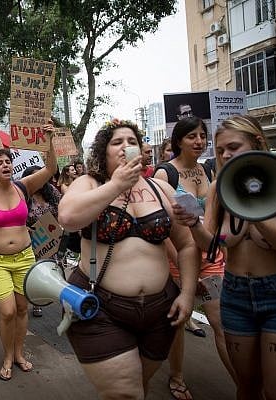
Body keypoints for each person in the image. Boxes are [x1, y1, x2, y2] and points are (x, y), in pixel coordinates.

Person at [174, 115, 276, 400]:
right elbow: (213, 246)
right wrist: (194, 224)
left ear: (257, 142)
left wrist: (256, 213)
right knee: (247, 387)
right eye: (221, 149)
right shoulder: (219, 189)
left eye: (234, 147)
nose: (226, 154)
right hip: (236, 296)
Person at [58, 118, 199, 398]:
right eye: (117, 142)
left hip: (160, 312)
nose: (126, 146)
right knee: (127, 393)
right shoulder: (89, 183)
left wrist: (187, 293)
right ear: (103, 152)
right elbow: (68, 217)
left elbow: (187, 246)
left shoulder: (160, 189)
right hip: (101, 310)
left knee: (140, 388)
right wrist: (116, 184)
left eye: (132, 141)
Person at [153, 116, 235, 399]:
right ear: (178, 141)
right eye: (192, 137)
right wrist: (187, 269)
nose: (199, 141)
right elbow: (160, 229)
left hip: (210, 257)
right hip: (178, 258)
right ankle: (176, 376)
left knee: (222, 322)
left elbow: (212, 220)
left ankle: (245, 386)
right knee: (180, 319)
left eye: (202, 136)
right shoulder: (164, 174)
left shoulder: (207, 171)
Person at [0, 123, 57, 381]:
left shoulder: (24, 186)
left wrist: (49, 140)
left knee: (22, 309)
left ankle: (19, 354)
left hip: (25, 258)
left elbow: (51, 169)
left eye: (8, 161)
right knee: (7, 311)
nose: (6, 165)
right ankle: (7, 355)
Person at [22, 165, 62, 318]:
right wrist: (24, 227)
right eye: (34, 175)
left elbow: (62, 208)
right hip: (31, 238)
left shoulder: (52, 191)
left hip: (51, 237)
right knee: (33, 271)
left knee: (50, 269)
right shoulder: (23, 194)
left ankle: (45, 297)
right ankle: (34, 300)